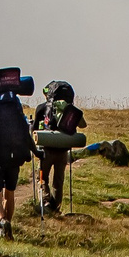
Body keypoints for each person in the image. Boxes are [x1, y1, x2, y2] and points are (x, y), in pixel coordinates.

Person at [0, 75, 37, 240]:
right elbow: (26, 133)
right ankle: (8, 232)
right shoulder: (15, 108)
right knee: (9, 193)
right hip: (15, 156)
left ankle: (3, 222)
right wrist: (36, 151)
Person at [32, 81, 87, 217]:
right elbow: (83, 125)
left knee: (41, 178)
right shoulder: (70, 109)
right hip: (63, 150)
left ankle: (45, 202)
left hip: (46, 150)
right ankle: (56, 207)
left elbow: (33, 129)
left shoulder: (42, 107)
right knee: (58, 181)